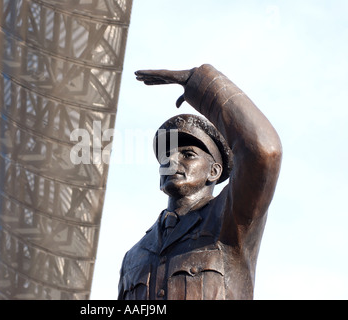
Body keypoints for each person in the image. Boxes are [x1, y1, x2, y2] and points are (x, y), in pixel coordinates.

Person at [117, 64, 282, 300]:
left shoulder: (229, 220)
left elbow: (264, 150)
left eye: (188, 154)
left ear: (214, 171)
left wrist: (200, 84)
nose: (172, 161)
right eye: (167, 155)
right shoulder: (134, 256)